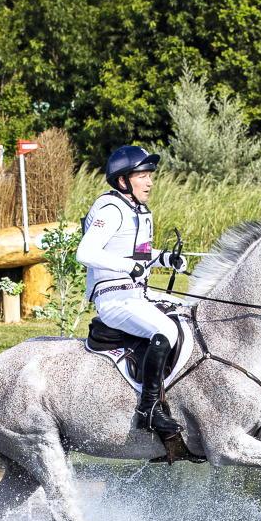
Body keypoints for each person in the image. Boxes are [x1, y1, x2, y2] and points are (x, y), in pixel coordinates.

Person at [76, 145, 188, 437]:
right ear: (123, 180)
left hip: (136, 295)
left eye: (150, 175)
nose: (150, 182)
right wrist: (127, 266)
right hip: (114, 299)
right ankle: (148, 409)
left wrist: (165, 259)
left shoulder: (136, 210)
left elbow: (140, 255)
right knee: (166, 330)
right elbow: (85, 252)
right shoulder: (111, 210)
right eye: (142, 176)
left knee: (188, 313)